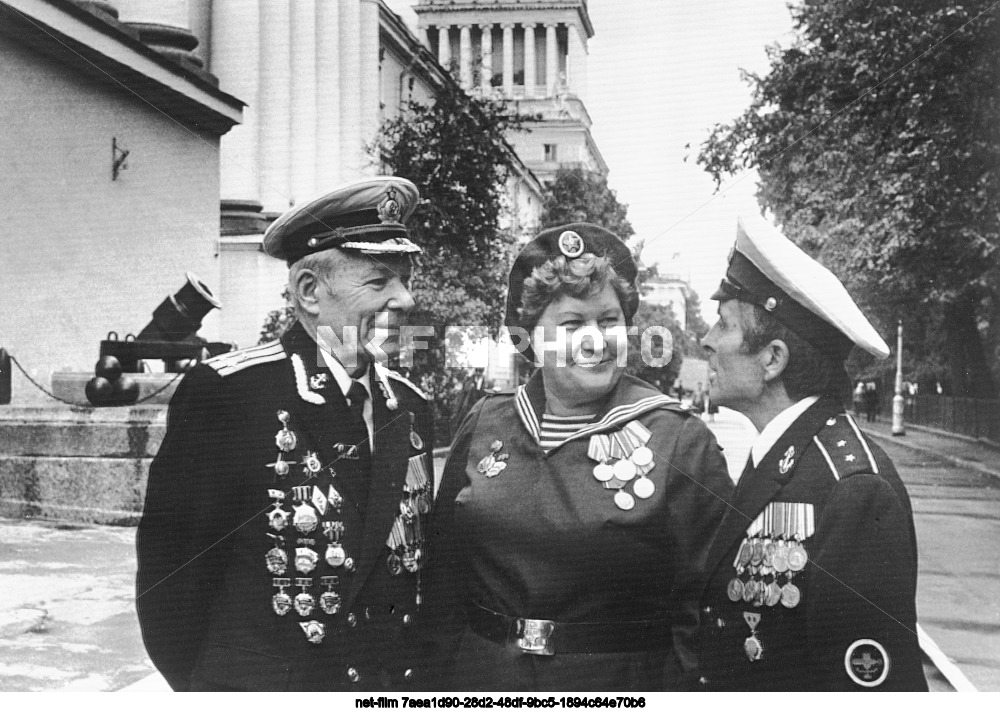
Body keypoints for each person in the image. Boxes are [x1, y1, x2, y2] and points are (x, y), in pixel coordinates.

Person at [136, 177, 436, 691]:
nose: (405, 299)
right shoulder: (231, 394)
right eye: (379, 281)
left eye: (405, 279)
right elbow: (172, 580)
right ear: (310, 292)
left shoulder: (409, 406)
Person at [423, 223, 734, 691]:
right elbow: (443, 582)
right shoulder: (487, 422)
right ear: (531, 339)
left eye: (608, 321)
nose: (596, 340)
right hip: (481, 683)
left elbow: (706, 615)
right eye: (572, 325)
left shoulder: (680, 440)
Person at [696, 214, 927, 691]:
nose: (707, 341)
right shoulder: (783, 454)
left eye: (724, 325)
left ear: (772, 359)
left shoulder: (855, 490)